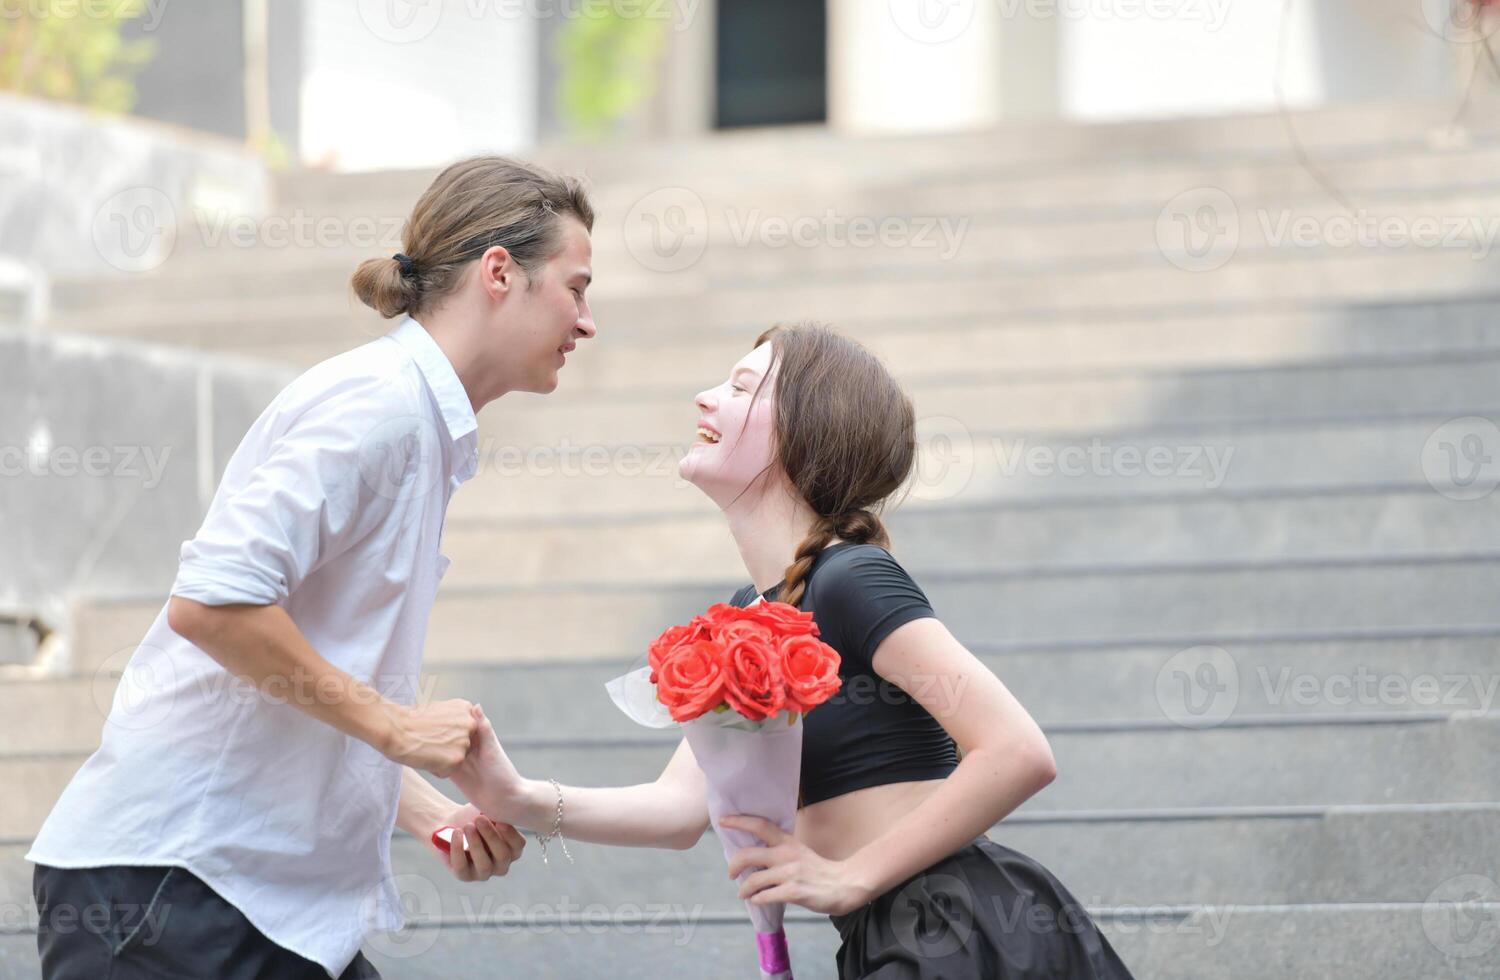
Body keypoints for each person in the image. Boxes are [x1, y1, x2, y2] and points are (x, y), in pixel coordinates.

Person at [27, 155, 597, 979]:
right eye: (577, 287)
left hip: (238, 904)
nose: (586, 321)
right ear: (500, 273)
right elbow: (214, 606)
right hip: (172, 896)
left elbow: (308, 662)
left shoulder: (417, 421)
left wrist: (426, 808)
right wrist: (398, 728)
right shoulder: (379, 408)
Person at [449, 322, 1136, 977]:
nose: (707, 397)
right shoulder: (751, 614)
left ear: (804, 435)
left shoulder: (852, 576)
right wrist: (516, 796)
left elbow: (1018, 750)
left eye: (743, 388)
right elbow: (680, 810)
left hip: (957, 926)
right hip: (893, 933)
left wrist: (851, 875)